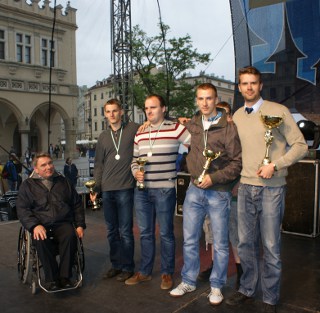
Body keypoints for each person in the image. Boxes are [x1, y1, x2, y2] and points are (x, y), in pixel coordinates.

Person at [225, 66, 308, 313]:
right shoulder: (238, 116)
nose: (248, 87)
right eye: (244, 83)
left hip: (272, 189)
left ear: (260, 86)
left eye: (253, 83)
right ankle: (247, 289)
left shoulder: (278, 111)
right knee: (245, 244)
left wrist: (275, 164)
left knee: (271, 246)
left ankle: (270, 298)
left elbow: (300, 146)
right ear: (239, 87)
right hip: (245, 188)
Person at [169, 83, 242, 306]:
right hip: (194, 189)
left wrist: (215, 178)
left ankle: (217, 285)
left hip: (218, 192)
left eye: (209, 98)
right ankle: (188, 280)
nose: (204, 103)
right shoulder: (193, 124)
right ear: (197, 100)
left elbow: (237, 163)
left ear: (216, 99)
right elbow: (170, 123)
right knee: (190, 239)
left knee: (220, 243)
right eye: (200, 98)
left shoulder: (228, 127)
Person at [125, 94, 191, 290]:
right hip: (142, 191)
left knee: (166, 233)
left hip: (165, 189)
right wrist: (136, 171)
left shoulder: (176, 129)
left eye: (153, 107)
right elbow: (135, 159)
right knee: (145, 233)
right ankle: (144, 272)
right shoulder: (140, 132)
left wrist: (183, 121)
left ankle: (166, 273)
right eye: (146, 108)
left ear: (163, 108)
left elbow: (195, 142)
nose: (149, 111)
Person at [16, 152, 85, 291]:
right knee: (41, 238)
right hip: (41, 224)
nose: (48, 167)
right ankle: (52, 278)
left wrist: (79, 225)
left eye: (50, 163)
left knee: (70, 235)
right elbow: (23, 210)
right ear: (36, 169)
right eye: (44, 165)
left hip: (62, 222)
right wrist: (34, 226)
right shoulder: (27, 186)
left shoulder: (63, 181)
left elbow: (77, 204)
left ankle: (65, 277)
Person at [90, 98, 140, 282]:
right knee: (111, 231)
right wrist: (96, 186)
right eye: (108, 111)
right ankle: (116, 265)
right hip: (107, 189)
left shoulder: (133, 129)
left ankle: (128, 267)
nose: (111, 114)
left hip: (125, 188)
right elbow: (98, 164)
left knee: (125, 230)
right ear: (105, 114)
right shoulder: (103, 137)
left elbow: (151, 125)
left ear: (121, 112)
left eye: (114, 111)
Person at [197, 101, 243, 290]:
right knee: (215, 234)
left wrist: (239, 183)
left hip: (232, 192)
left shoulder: (236, 133)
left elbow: (244, 160)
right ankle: (215, 267)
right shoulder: (210, 136)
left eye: (225, 114)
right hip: (214, 191)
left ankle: (242, 272)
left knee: (235, 234)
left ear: (230, 115)